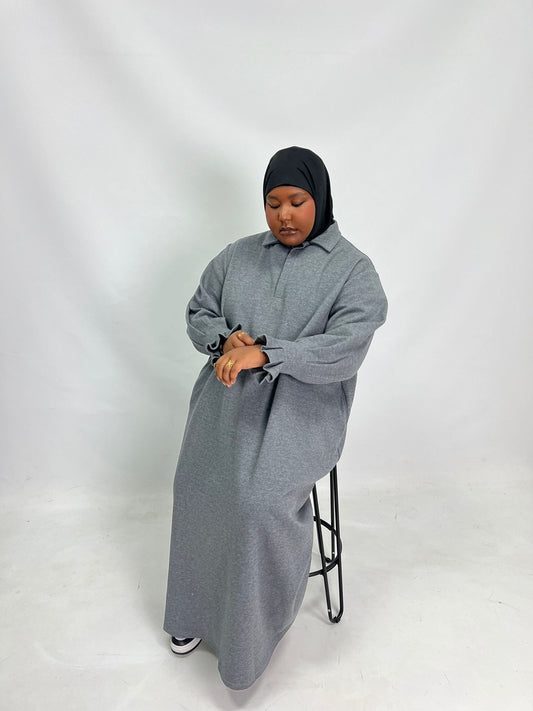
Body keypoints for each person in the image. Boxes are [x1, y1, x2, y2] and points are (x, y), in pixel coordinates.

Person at [163, 146, 388, 690]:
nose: (284, 215)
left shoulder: (353, 270)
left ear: (320, 199)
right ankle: (193, 612)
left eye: (297, 201)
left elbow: (346, 347)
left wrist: (267, 353)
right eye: (273, 203)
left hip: (302, 411)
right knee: (196, 487)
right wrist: (224, 340)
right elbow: (199, 311)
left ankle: (251, 636)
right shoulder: (236, 257)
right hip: (226, 403)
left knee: (257, 505)